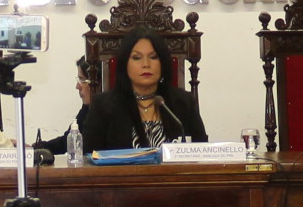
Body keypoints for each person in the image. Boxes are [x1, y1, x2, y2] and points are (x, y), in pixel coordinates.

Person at [77, 32, 208, 151]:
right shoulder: (103, 105)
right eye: (137, 58)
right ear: (124, 64)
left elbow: (201, 151)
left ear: (163, 63)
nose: (146, 64)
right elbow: (88, 156)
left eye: (153, 57)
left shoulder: (183, 102)